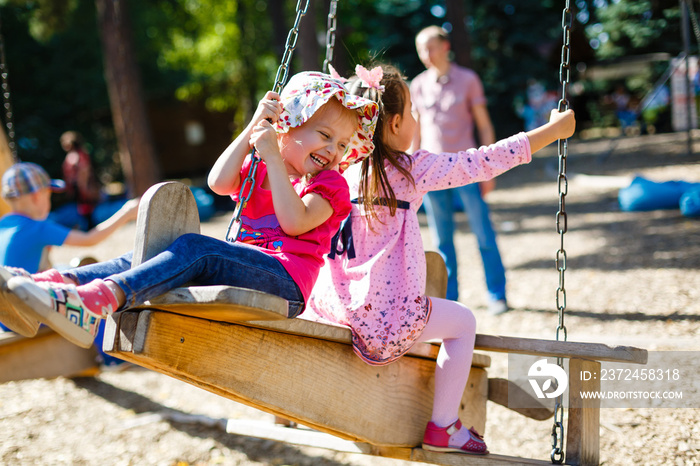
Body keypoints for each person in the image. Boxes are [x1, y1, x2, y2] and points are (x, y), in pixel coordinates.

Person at [0, 71, 378, 350]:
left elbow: (295, 223)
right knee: (147, 254)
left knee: (197, 248)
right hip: (248, 263)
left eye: (343, 145)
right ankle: (50, 286)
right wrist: (251, 130)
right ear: (288, 125)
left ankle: (100, 301)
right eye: (325, 135)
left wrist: (275, 163)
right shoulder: (261, 167)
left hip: (287, 282)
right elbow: (218, 182)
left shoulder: (329, 185)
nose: (334, 151)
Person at [308, 64, 575, 454]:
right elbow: (483, 160)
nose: (416, 120)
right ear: (396, 122)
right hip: (382, 316)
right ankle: (444, 424)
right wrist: (552, 131)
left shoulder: (337, 171)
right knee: (463, 322)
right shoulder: (411, 169)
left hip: (331, 308)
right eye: (413, 112)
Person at [410, 25, 507, 315]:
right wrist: (409, 169)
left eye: (429, 47)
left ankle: (497, 295)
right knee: (441, 242)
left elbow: (484, 125)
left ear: (445, 46)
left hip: (468, 170)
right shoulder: (417, 85)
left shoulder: (468, 80)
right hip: (431, 174)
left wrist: (489, 171)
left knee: (483, 234)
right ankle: (448, 301)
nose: (425, 54)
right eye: (420, 49)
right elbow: (414, 133)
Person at [0, 162, 139, 336]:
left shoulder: (4, 224)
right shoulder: (37, 228)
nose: (49, 201)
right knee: (88, 287)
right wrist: (126, 213)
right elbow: (90, 239)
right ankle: (109, 356)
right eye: (48, 194)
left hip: (6, 317)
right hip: (28, 314)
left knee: (65, 270)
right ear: (37, 196)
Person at [59, 131, 102, 230]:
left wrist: (83, 186)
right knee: (83, 209)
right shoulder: (76, 155)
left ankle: (91, 230)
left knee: (86, 209)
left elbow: (84, 171)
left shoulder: (79, 155)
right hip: (77, 188)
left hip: (80, 187)